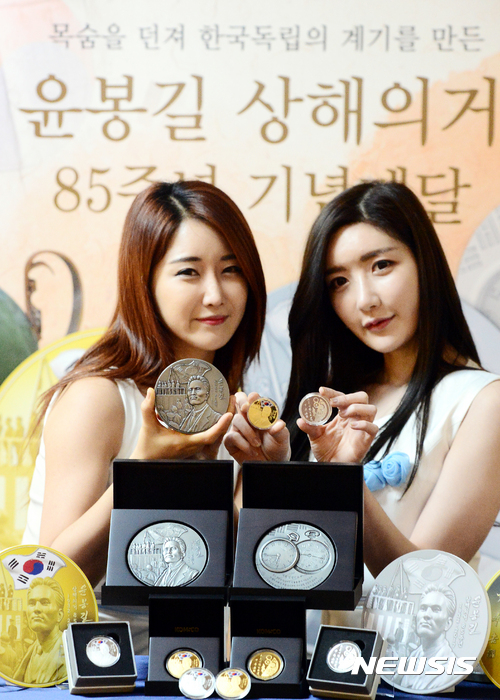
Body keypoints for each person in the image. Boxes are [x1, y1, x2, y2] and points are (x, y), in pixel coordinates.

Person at [22, 180, 269, 589]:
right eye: (188, 272)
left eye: (231, 270)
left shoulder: (232, 404)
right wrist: (141, 471)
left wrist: (260, 476)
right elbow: (48, 578)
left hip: (190, 631)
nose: (215, 294)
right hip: (90, 631)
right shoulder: (98, 397)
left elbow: (214, 567)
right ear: (145, 282)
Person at [277, 180, 500, 604]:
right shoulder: (334, 404)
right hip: (312, 646)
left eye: (381, 265)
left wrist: (347, 480)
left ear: (424, 262)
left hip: (409, 647)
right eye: (339, 281)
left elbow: (423, 586)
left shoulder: (483, 402)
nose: (365, 300)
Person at [394, 584, 456, 691]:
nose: (426, 615)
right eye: (423, 608)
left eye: (436, 609)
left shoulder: (451, 668)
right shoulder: (413, 657)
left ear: (448, 623)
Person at [14, 578, 66, 685]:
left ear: (59, 615)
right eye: (32, 603)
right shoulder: (31, 651)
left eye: (45, 603)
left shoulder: (67, 653)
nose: (36, 609)